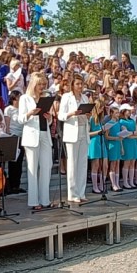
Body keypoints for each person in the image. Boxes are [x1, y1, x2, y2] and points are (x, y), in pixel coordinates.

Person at [17, 73, 53, 211]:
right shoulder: (25, 98)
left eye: (44, 84)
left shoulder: (45, 98)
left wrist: (49, 118)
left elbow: (48, 121)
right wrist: (30, 113)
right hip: (31, 135)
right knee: (32, 168)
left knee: (46, 166)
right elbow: (20, 119)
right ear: (33, 84)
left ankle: (45, 199)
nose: (42, 87)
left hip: (44, 133)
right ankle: (33, 201)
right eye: (39, 84)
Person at [57, 75, 90, 203]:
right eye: (77, 84)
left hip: (83, 129)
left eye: (81, 84)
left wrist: (87, 114)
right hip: (72, 131)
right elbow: (60, 116)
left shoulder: (85, 97)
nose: (80, 86)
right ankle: (72, 193)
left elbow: (87, 115)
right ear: (72, 85)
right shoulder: (66, 97)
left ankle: (81, 192)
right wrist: (72, 113)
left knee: (82, 163)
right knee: (72, 163)